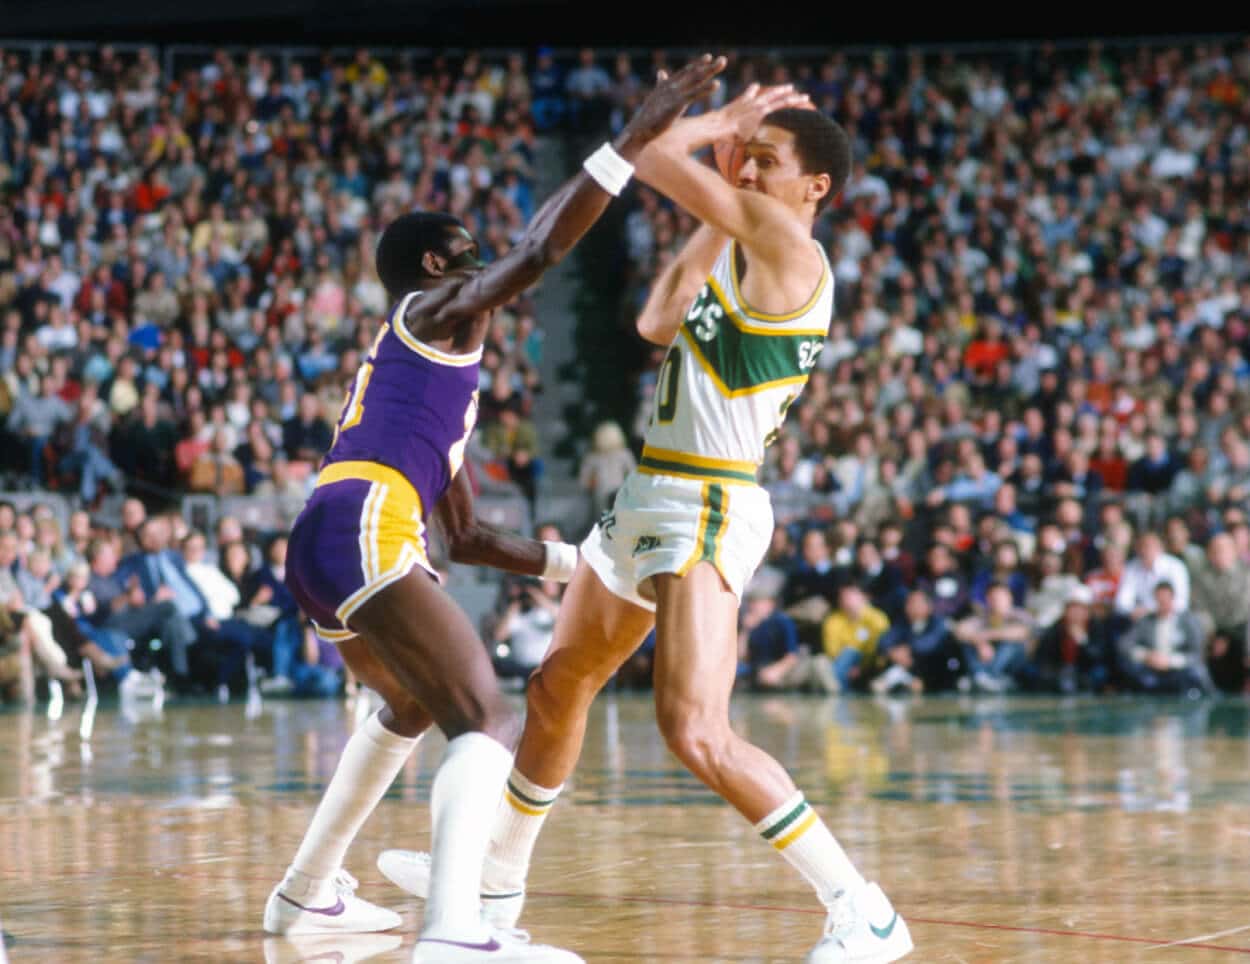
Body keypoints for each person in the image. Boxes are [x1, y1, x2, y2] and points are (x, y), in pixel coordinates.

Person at [382, 86, 912, 961]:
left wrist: (713, 127)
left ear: (815, 188)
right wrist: (725, 174)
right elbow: (657, 317)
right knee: (557, 688)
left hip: (708, 499)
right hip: (650, 496)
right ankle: (498, 887)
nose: (746, 166)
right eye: (747, 158)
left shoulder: (787, 242)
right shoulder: (745, 248)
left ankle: (862, 908)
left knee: (695, 729)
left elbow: (645, 155)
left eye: (765, 159)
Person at [262, 59, 725, 964]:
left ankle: (306, 895)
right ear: (437, 266)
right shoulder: (436, 310)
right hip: (364, 521)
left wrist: (573, 564)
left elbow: (466, 537)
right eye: (470, 247)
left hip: (327, 532)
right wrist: (630, 140)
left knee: (403, 700)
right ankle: (454, 932)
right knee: (486, 723)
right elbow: (542, 253)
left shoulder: (429, 382)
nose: (489, 256)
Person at [1119, 582, 1216, 696]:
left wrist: (1170, 661)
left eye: (1165, 600)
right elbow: (1124, 644)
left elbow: (1197, 653)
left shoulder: (1188, 621)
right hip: (1152, 669)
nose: (1163, 604)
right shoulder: (1147, 621)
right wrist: (1147, 655)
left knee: (1196, 675)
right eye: (1159, 601)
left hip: (1180, 669)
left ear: (1172, 599)